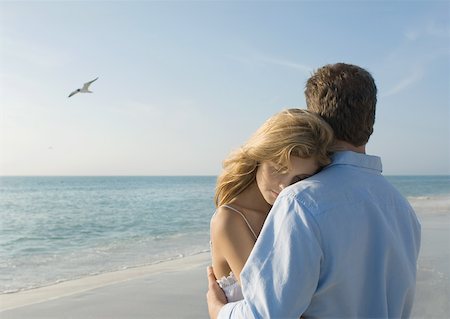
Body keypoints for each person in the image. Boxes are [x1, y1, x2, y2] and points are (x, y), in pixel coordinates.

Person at [206, 63, 421, 318]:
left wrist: (220, 312)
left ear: (316, 120)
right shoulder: (402, 209)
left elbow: (268, 312)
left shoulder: (301, 201)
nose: (285, 183)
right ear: (371, 123)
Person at [211, 108, 334, 302]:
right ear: (259, 157)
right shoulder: (229, 220)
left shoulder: (293, 213)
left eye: (300, 178)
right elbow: (269, 305)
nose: (285, 186)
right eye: (278, 169)